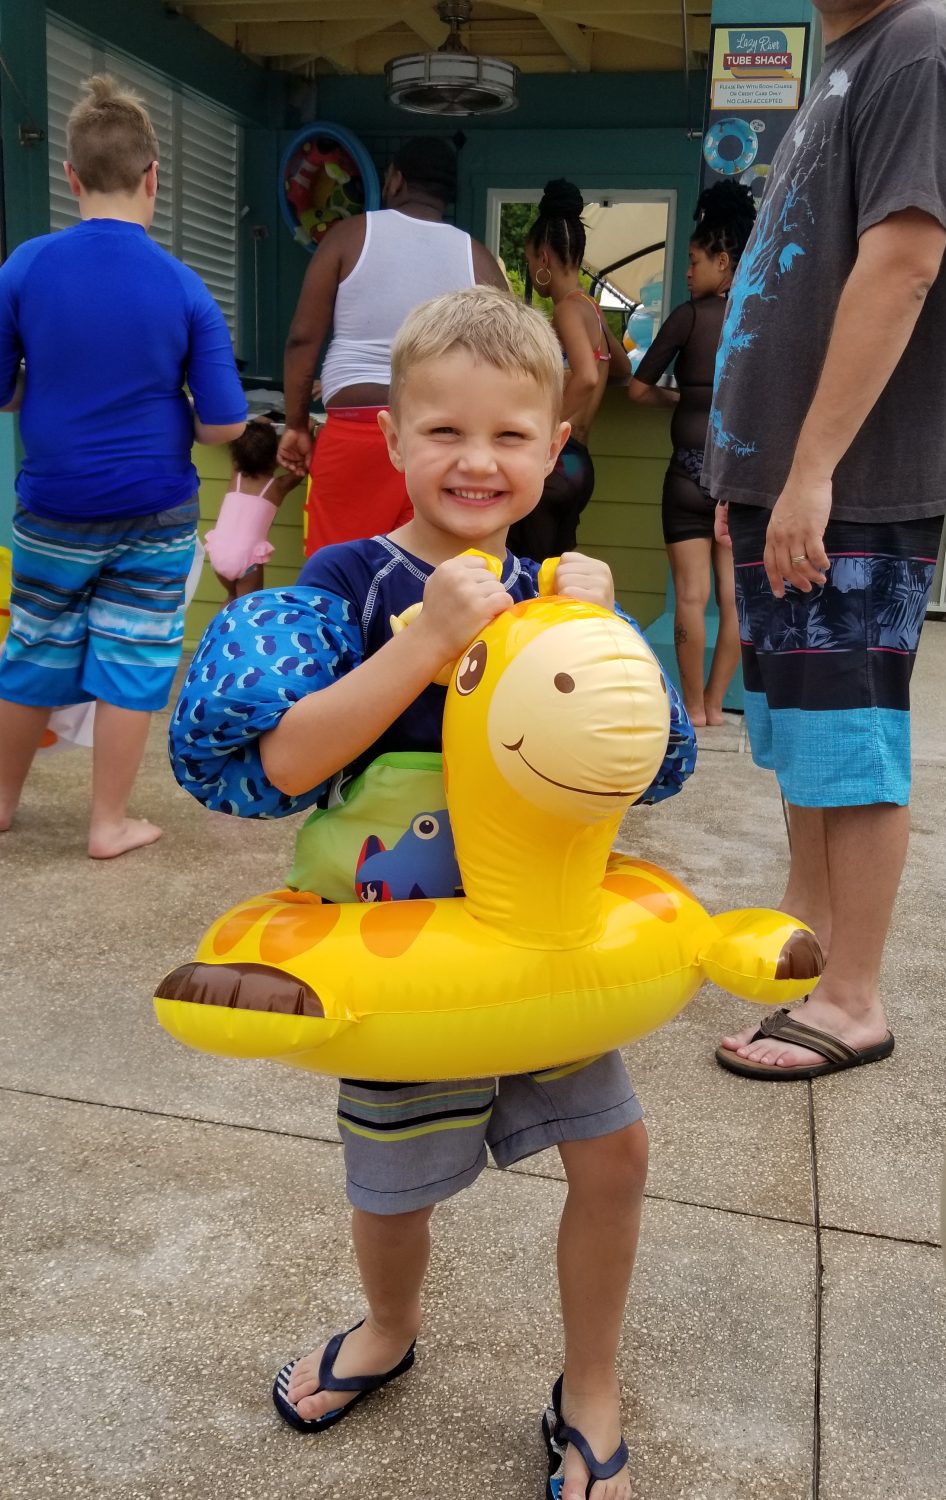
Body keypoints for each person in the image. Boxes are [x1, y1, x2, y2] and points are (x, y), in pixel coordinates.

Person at [169, 287, 697, 1500]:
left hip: (550, 950)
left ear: (554, 449)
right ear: (394, 438)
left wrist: (603, 639)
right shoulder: (348, 585)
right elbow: (273, 766)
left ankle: (591, 1385)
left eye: (510, 435)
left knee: (615, 1157)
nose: (476, 459)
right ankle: (390, 1326)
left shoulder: (564, 593)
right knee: (392, 1190)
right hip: (406, 973)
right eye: (444, 431)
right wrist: (418, 641)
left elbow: (655, 764)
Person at [702, 0, 946, 1079]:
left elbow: (904, 261)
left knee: (852, 739)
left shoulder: (920, 48)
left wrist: (814, 468)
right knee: (800, 739)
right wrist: (754, 475)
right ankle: (807, 945)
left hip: (851, 485)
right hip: (794, 482)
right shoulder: (848, 59)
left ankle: (853, 998)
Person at [0, 74, 245, 858]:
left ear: (70, 177)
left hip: (52, 506)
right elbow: (223, 423)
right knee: (134, 660)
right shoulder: (183, 285)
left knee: (31, 650)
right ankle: (108, 825)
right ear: (154, 176)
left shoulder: (24, 269)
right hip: (155, 513)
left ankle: (2, 805)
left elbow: (3, 395)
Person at [278, 136, 508, 555]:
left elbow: (302, 339)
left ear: (396, 181)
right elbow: (506, 360)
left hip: (356, 433)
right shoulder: (477, 257)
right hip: (440, 440)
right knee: (427, 579)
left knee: (339, 576)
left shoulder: (349, 235)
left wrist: (295, 425)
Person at [628, 182, 756, 726]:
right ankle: (717, 702)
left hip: (686, 476)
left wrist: (682, 397)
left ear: (722, 260)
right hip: (738, 478)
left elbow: (636, 388)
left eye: (694, 259)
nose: (687, 271)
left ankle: (692, 706)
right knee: (733, 600)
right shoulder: (755, 318)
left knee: (689, 598)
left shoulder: (689, 316)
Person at [510, 179, 631, 562]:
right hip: (581, 465)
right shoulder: (590, 307)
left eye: (530, 261)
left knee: (529, 575)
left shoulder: (565, 310)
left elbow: (588, 377)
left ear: (543, 257)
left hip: (557, 464)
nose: (530, 271)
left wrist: (539, 429)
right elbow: (621, 367)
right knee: (556, 574)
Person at [204, 419, 301, 604]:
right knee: (247, 609)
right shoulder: (277, 487)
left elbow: (233, 440)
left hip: (218, 554)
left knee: (232, 599)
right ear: (276, 456)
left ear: (237, 457)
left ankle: (216, 632)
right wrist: (309, 431)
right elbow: (301, 471)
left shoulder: (236, 475)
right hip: (246, 560)